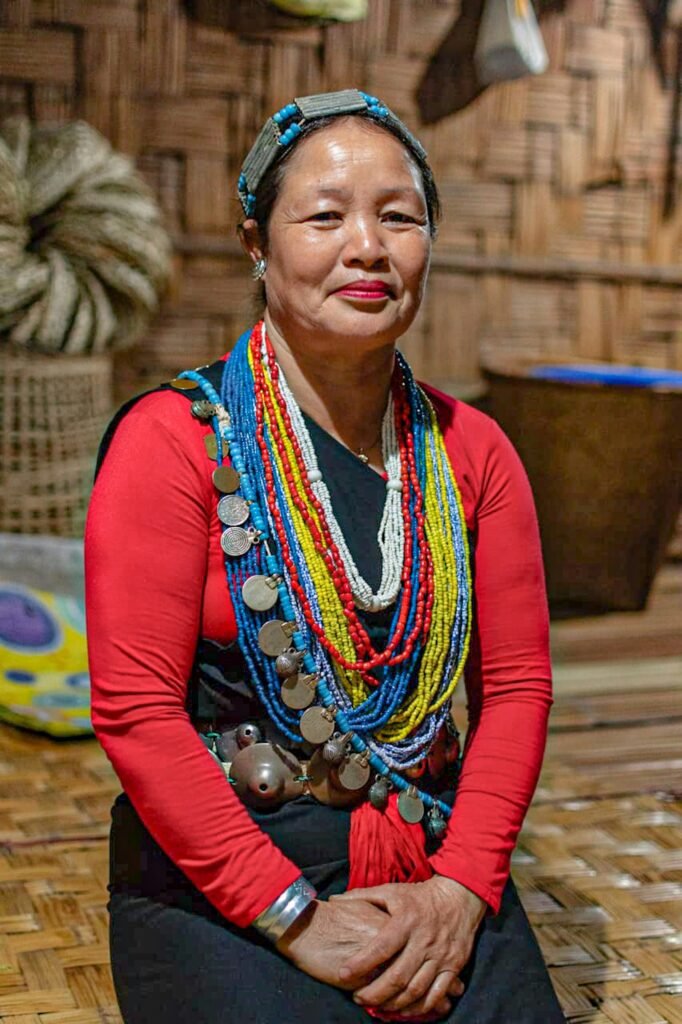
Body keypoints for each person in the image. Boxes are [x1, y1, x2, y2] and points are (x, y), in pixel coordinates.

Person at [85, 89, 565, 1024]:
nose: (368, 248)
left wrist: (463, 888)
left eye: (400, 217)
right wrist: (293, 914)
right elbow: (137, 713)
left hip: (427, 850)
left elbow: (515, 690)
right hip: (220, 864)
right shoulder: (175, 442)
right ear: (257, 245)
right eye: (325, 215)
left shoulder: (473, 453)